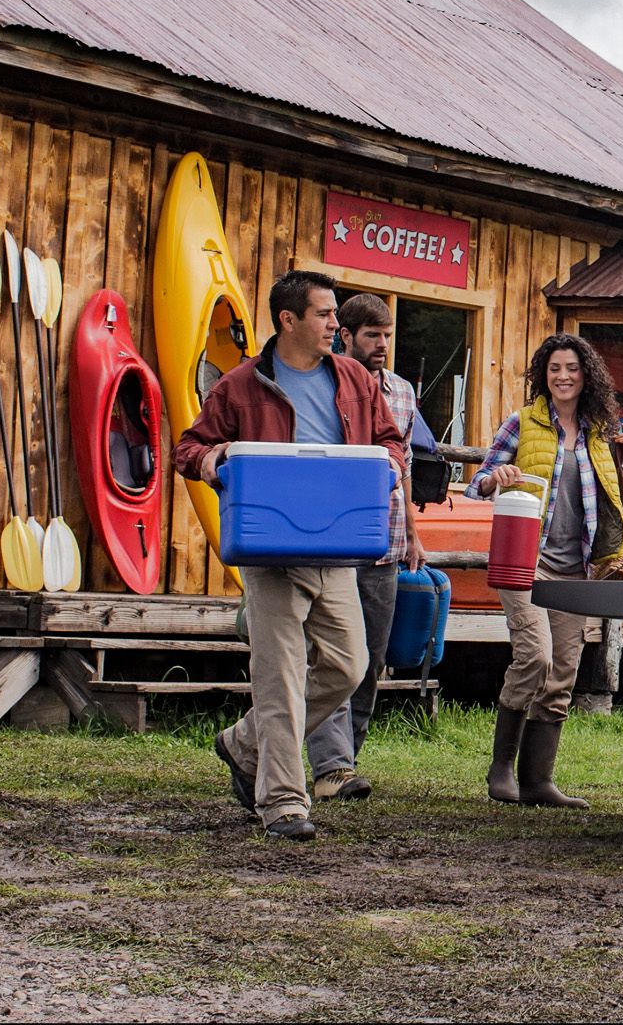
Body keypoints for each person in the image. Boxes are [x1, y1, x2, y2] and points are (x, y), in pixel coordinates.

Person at [172, 270, 409, 841]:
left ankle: (245, 741)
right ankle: (282, 801)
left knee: (350, 666)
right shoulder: (240, 385)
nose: (335, 325)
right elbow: (188, 447)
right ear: (289, 320)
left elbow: (389, 438)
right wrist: (216, 458)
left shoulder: (353, 378)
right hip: (270, 546)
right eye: (326, 315)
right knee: (278, 676)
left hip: (337, 542)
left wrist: (390, 468)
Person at [469, 332, 623, 808]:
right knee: (536, 657)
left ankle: (538, 781)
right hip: (526, 561)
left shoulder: (599, 431)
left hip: (576, 569)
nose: (563, 377)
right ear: (543, 376)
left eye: (571, 368)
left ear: (586, 376)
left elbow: (607, 498)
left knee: (563, 672)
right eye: (554, 369)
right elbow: (476, 483)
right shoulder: (522, 423)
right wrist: (493, 480)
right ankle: (500, 767)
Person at [304, 293, 430, 799]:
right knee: (335, 652)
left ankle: (346, 760)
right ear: (346, 336)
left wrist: (415, 534)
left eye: (387, 335)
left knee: (372, 657)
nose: (382, 344)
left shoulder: (401, 391)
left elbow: (405, 470)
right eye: (372, 335)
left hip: (387, 540)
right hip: (334, 542)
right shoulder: (325, 383)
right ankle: (331, 765)